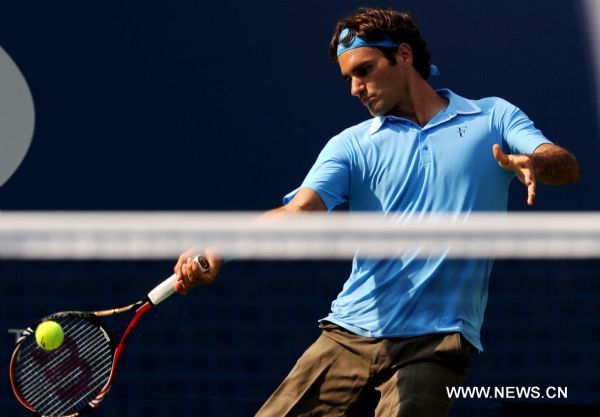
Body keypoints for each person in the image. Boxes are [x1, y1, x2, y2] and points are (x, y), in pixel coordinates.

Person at [173, 7, 580, 417]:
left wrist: (536, 164)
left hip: (437, 342)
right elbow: (301, 211)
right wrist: (220, 246)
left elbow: (563, 163)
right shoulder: (350, 145)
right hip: (349, 333)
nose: (355, 88)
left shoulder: (492, 117)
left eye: (364, 71)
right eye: (348, 77)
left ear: (403, 56)